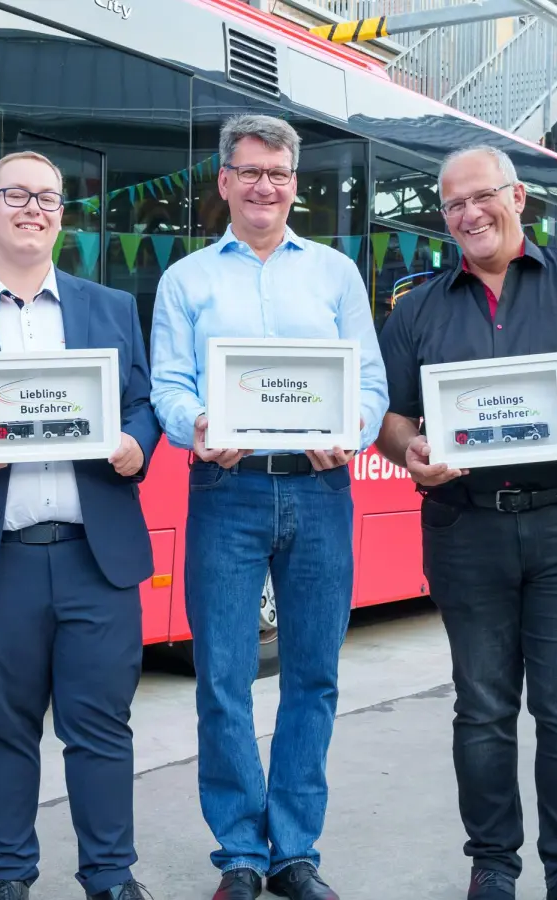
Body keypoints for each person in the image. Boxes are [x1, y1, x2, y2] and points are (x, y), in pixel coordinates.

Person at [374, 145, 557, 900]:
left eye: (482, 196)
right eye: (453, 205)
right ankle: (493, 866)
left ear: (518, 198)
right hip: (464, 527)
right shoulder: (419, 307)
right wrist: (408, 449)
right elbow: (388, 415)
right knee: (481, 707)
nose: (470, 214)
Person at [0, 149, 161, 900]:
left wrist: (136, 442)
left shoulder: (109, 308)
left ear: (62, 215)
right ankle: (7, 878)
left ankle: (111, 877)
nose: (33, 208)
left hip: (94, 557)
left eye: (48, 197)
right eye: (16, 194)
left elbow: (141, 406)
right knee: (3, 733)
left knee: (102, 730)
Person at [148, 114, 388, 900]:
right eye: (249, 172)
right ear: (224, 181)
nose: (265, 187)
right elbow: (170, 387)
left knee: (313, 675)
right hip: (227, 488)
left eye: (279, 174)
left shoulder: (335, 276)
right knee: (223, 677)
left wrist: (348, 432)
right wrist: (197, 427)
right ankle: (241, 854)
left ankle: (294, 851)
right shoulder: (186, 279)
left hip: (319, 489)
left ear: (295, 183)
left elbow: (371, 385)